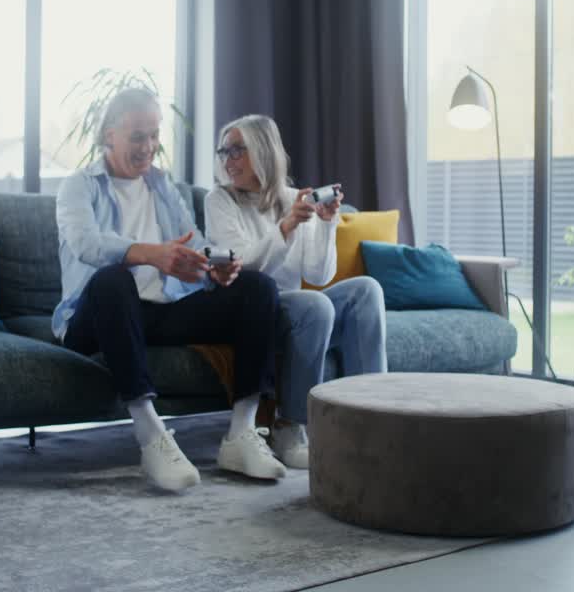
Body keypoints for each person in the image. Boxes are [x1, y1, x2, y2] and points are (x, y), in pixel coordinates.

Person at [53, 90, 286, 492]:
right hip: (95, 317)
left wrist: (216, 264)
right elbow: (85, 244)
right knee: (113, 278)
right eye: (137, 137)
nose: (148, 148)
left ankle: (242, 433)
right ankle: (152, 437)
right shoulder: (79, 187)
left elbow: (194, 242)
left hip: (161, 311)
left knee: (258, 287)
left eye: (154, 136)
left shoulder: (163, 186)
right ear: (110, 135)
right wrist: (151, 254)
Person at [203, 115, 386, 469]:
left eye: (237, 150)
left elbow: (318, 273)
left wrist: (327, 224)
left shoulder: (292, 198)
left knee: (366, 290)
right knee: (313, 304)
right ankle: (290, 425)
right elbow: (246, 268)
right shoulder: (220, 200)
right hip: (256, 307)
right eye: (224, 151)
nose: (228, 160)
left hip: (300, 308)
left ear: (264, 151)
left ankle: (374, 418)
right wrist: (287, 226)